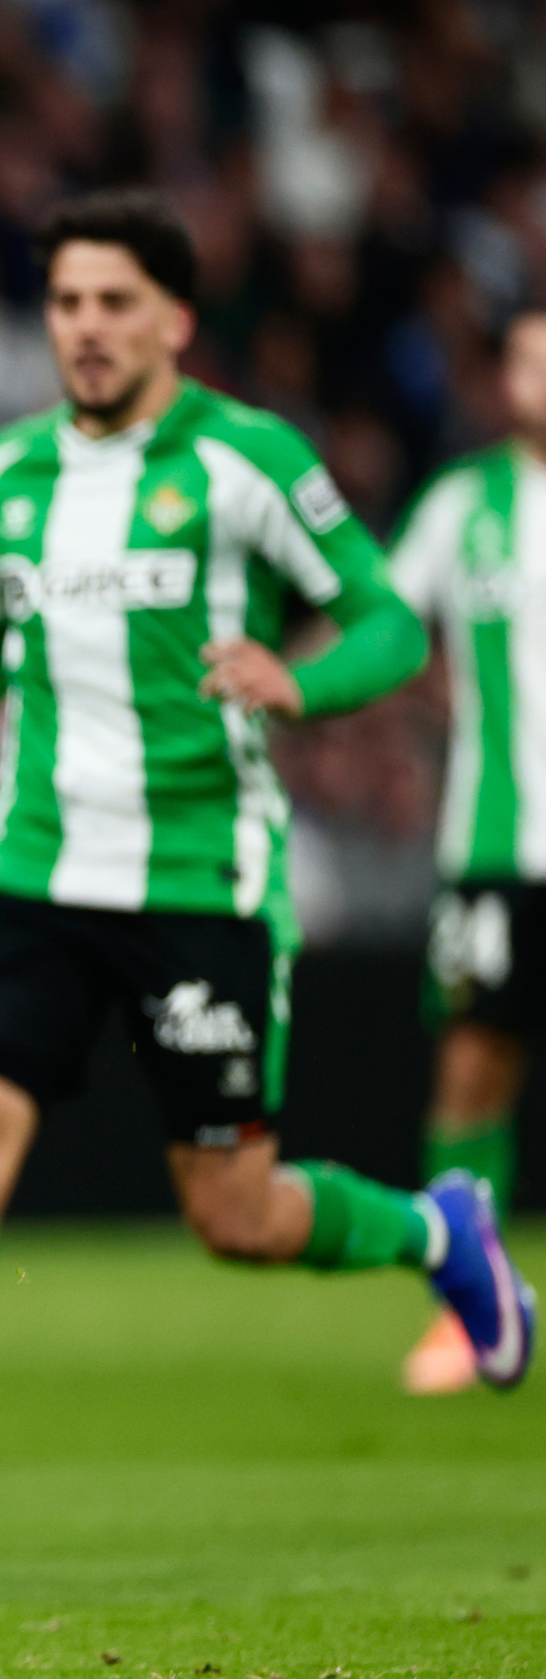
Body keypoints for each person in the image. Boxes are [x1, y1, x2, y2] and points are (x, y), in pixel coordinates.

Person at [0, 189, 532, 1577]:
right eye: (65, 304)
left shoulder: (246, 462)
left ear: (173, 318)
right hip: (35, 874)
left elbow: (393, 623)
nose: (87, 330)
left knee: (238, 1216)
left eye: (114, 304)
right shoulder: (7, 478)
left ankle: (434, 1226)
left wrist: (301, 678)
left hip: (198, 884)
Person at [392, 310, 546, 1396]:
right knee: (471, 1074)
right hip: (493, 841)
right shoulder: (461, 505)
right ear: (500, 377)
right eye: (533, 358)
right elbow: (387, 628)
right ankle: (467, 1307)